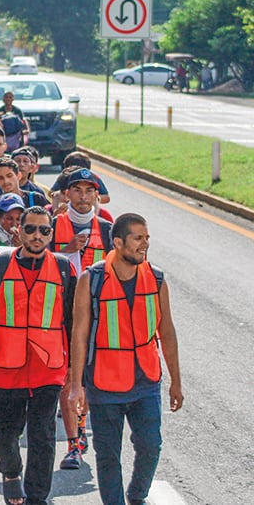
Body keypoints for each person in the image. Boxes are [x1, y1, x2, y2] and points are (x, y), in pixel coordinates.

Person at [69, 213, 183, 505]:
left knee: (151, 446)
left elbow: (166, 331)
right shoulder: (90, 280)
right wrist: (76, 386)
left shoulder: (156, 279)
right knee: (108, 456)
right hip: (104, 384)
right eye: (138, 238)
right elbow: (79, 334)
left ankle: (137, 496)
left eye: (146, 238)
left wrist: (175, 382)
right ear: (118, 242)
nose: (144, 244)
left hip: (145, 381)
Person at [0, 206, 77, 505]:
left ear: (51, 235)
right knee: (3, 432)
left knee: (42, 435)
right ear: (20, 232)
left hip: (48, 367)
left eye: (44, 230)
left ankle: (37, 497)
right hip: (4, 366)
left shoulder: (65, 269)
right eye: (31, 229)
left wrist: (76, 366)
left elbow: (74, 321)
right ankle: (11, 470)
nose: (37, 236)